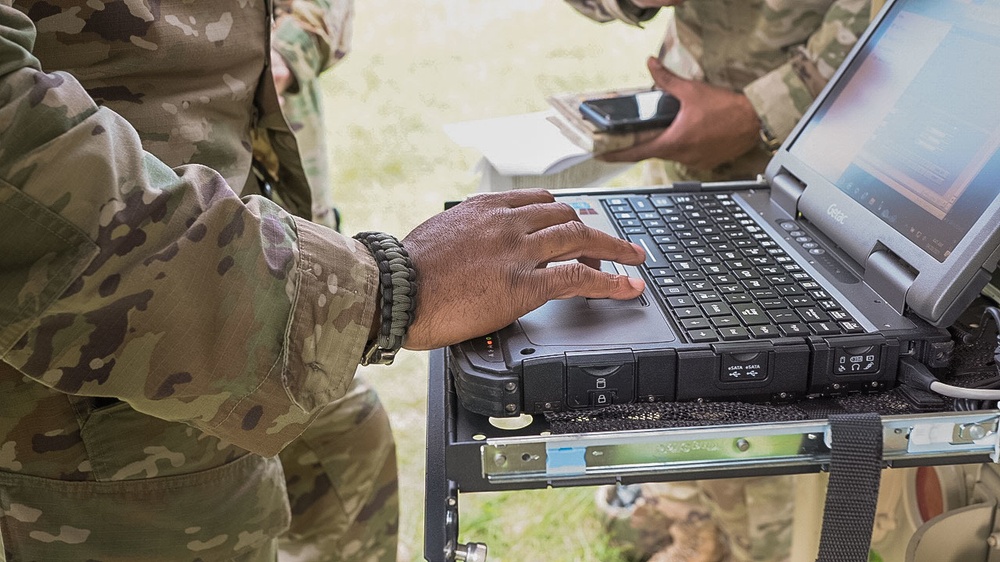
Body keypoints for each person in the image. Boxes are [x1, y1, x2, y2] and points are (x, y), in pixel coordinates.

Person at [0, 3, 647, 562]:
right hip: (113, 344)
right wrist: (384, 289)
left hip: (252, 252)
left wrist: (297, 39)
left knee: (351, 450)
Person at [561, 1, 876, 561]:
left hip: (809, 162)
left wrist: (760, 112)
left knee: (760, 415)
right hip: (686, 155)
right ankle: (691, 526)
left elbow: (889, 26)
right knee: (672, 360)